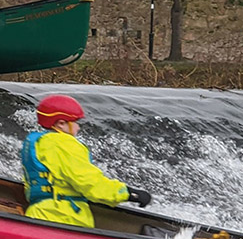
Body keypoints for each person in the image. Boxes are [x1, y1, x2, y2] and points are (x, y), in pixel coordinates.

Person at [21, 94, 151, 228]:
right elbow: (88, 182)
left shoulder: (39, 143)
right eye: (75, 122)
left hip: (38, 213)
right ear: (61, 124)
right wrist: (128, 193)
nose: (78, 127)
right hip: (63, 217)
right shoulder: (63, 143)